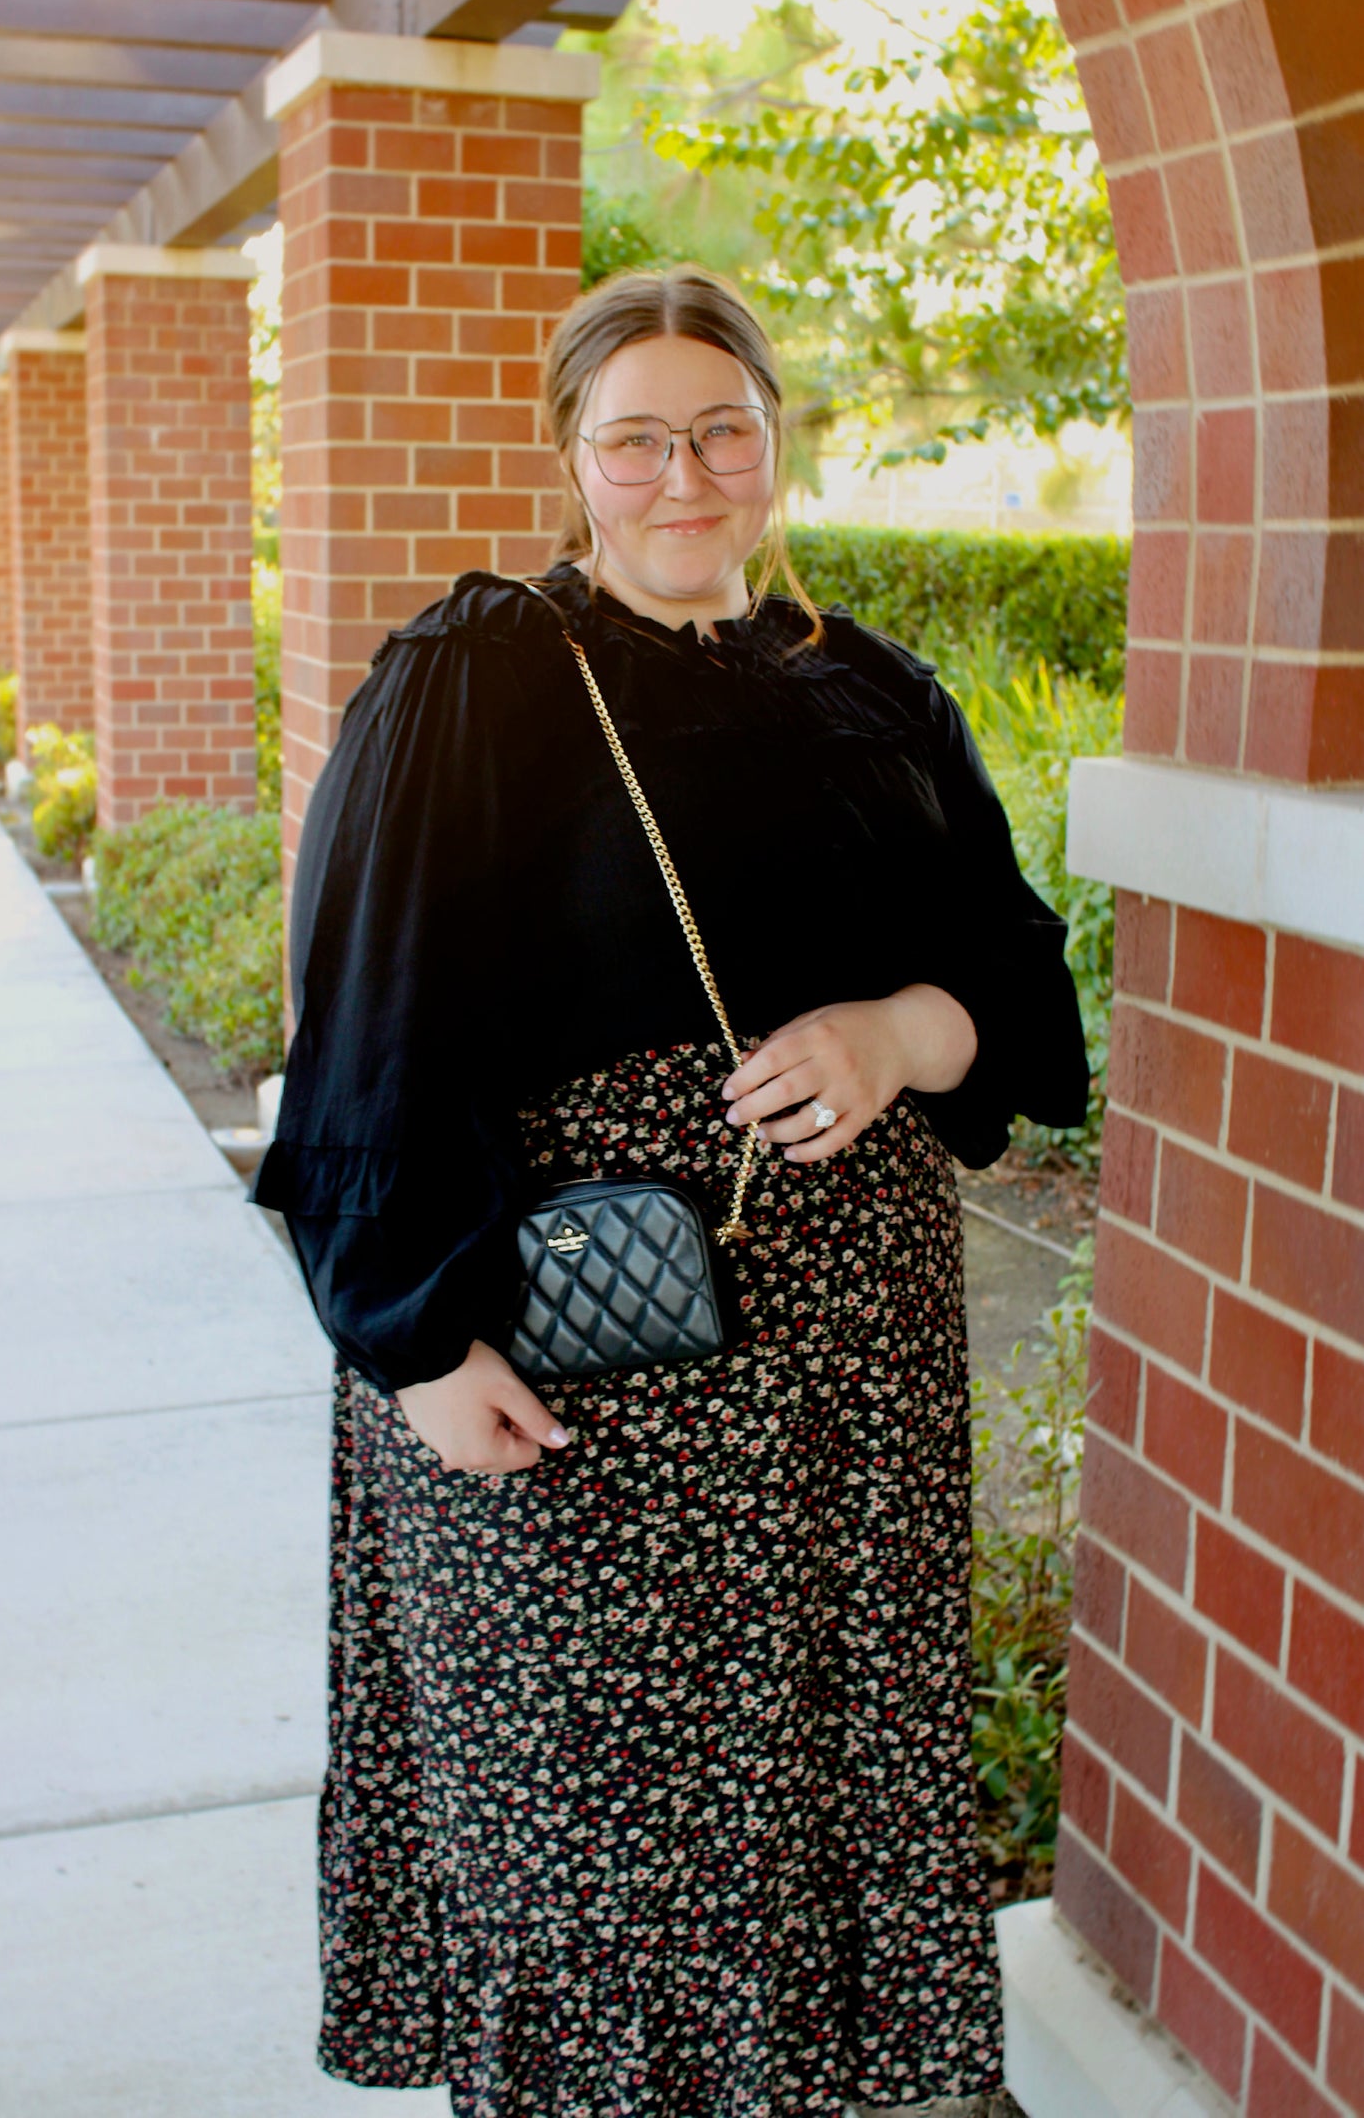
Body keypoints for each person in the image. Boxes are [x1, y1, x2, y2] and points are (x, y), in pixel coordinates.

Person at [250, 264, 1090, 2117]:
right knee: (588, 1795)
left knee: (820, 1766)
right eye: (635, 437)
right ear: (574, 455)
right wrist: (407, 1342)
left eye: (719, 427)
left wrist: (898, 1031)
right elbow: (365, 1029)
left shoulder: (871, 687)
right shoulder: (474, 679)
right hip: (572, 1351)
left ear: (773, 437)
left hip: (845, 1370)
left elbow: (1026, 986)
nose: (682, 472)